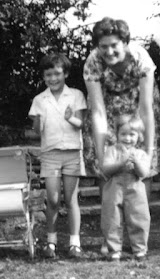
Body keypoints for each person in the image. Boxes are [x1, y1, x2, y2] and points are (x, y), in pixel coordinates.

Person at [83, 17, 160, 254]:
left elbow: (146, 108)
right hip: (107, 112)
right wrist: (101, 153)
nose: (108, 51)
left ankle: (138, 240)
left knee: (141, 175)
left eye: (114, 45)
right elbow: (97, 111)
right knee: (107, 175)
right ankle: (111, 238)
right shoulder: (93, 63)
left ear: (125, 42)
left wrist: (147, 150)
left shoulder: (140, 59)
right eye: (103, 46)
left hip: (137, 111)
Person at [28, 53, 87, 259]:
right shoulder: (39, 100)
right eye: (48, 75)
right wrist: (37, 122)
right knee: (53, 199)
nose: (52, 78)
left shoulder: (77, 95)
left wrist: (71, 118)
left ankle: (74, 244)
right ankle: (51, 242)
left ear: (66, 74)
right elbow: (36, 131)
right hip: (50, 153)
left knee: (71, 199)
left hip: (72, 152)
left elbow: (81, 123)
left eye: (57, 74)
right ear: (43, 77)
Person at [101, 114, 150, 261]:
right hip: (114, 188)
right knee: (112, 219)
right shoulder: (112, 150)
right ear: (117, 134)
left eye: (132, 135)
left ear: (139, 136)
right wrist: (121, 162)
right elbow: (106, 170)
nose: (127, 138)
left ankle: (140, 249)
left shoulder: (140, 153)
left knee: (139, 218)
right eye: (123, 134)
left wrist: (137, 163)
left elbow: (143, 173)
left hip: (135, 189)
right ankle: (114, 250)